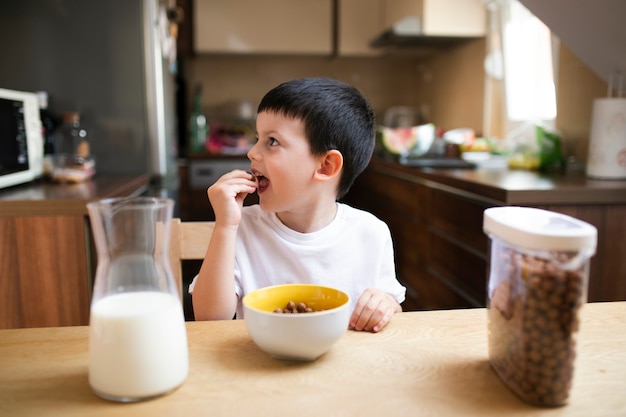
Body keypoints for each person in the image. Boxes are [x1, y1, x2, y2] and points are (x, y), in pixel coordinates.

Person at [191, 77, 405, 332]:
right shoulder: (241, 227)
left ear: (326, 166)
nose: (252, 152)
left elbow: (391, 309)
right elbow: (208, 320)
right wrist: (225, 226)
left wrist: (386, 306)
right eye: (258, 138)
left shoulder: (371, 233)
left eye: (272, 141)